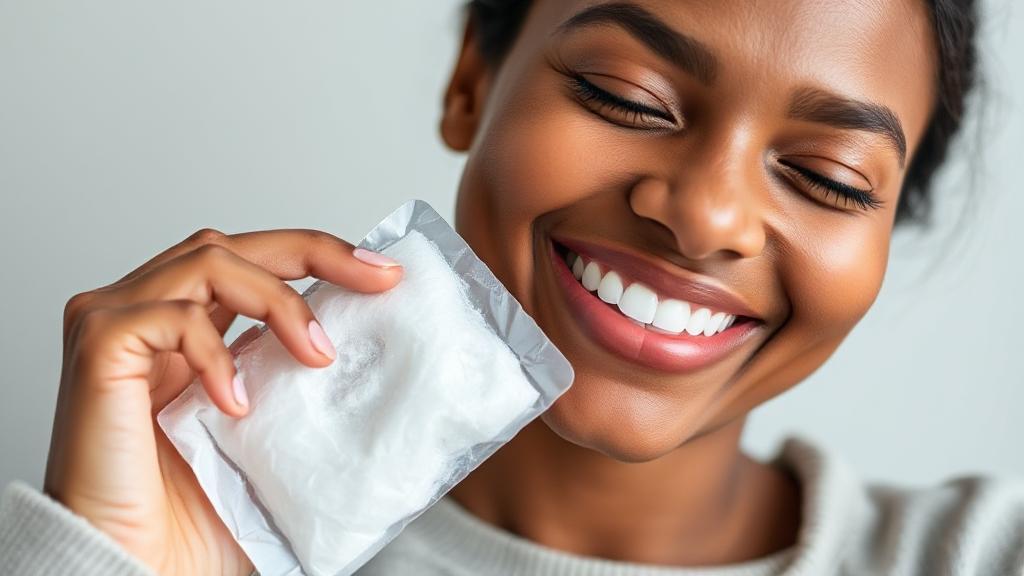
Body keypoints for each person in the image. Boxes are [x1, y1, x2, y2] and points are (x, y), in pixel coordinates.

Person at [2, 1, 1018, 575]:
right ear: (470, 87)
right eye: (624, 97)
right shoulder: (204, 521)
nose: (706, 215)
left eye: (827, 178)